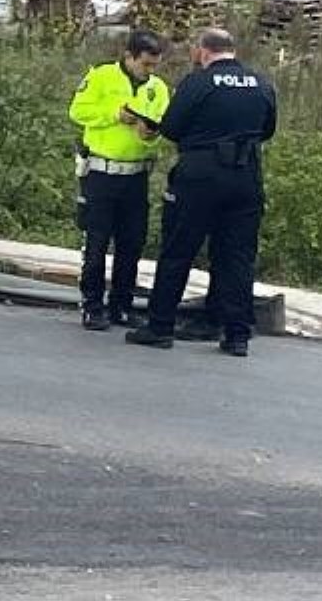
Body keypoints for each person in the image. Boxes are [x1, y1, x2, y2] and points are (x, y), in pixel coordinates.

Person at [126, 28, 277, 357]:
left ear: (203, 51)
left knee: (178, 249)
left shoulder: (198, 82)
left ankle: (160, 326)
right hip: (246, 175)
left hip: (200, 175)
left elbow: (172, 127)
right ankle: (235, 334)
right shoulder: (261, 83)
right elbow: (267, 129)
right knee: (237, 256)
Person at [68, 30, 171, 331]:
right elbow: (78, 111)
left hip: (136, 175)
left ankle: (121, 305)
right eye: (145, 64)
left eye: (154, 66)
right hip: (102, 173)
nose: (149, 71)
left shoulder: (158, 88)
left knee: (132, 243)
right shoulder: (102, 76)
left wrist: (150, 136)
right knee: (97, 242)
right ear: (129, 56)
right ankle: (92, 305)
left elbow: (162, 126)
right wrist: (115, 114)